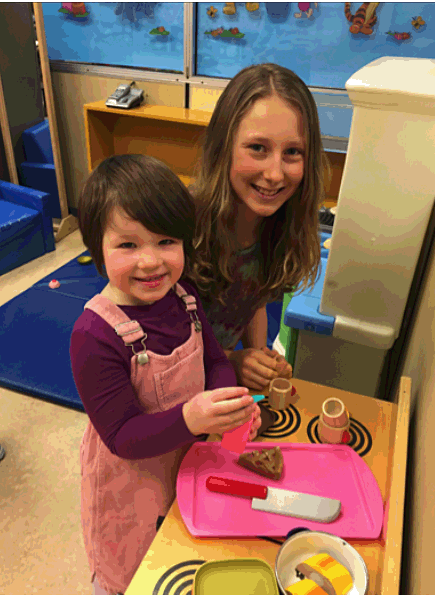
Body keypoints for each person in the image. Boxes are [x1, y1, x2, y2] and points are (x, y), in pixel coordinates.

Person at [70, 154, 261, 595]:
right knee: (133, 573)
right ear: (95, 246)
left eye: (165, 241)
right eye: (128, 245)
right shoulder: (93, 335)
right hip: (130, 483)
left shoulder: (186, 296)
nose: (151, 261)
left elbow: (215, 360)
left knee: (184, 553)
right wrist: (192, 418)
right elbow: (122, 436)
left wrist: (227, 401)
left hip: (188, 458)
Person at [189, 63, 328, 390]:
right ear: (224, 145)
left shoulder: (280, 226)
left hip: (214, 389)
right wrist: (230, 362)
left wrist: (258, 355)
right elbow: (154, 344)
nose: (276, 174)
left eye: (292, 152)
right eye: (258, 148)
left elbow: (253, 299)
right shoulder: (181, 227)